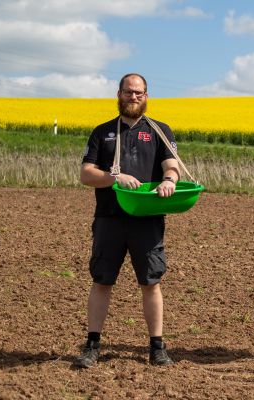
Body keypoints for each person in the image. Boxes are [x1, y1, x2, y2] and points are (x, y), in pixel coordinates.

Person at [74, 73, 180, 368]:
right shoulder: (103, 132)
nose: (134, 97)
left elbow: (172, 166)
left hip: (147, 219)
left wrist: (170, 180)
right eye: (129, 92)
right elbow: (86, 174)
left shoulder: (160, 131)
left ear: (147, 96)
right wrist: (113, 177)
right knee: (102, 281)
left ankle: (157, 348)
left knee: (151, 282)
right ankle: (92, 345)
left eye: (139, 93)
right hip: (109, 218)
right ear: (118, 94)